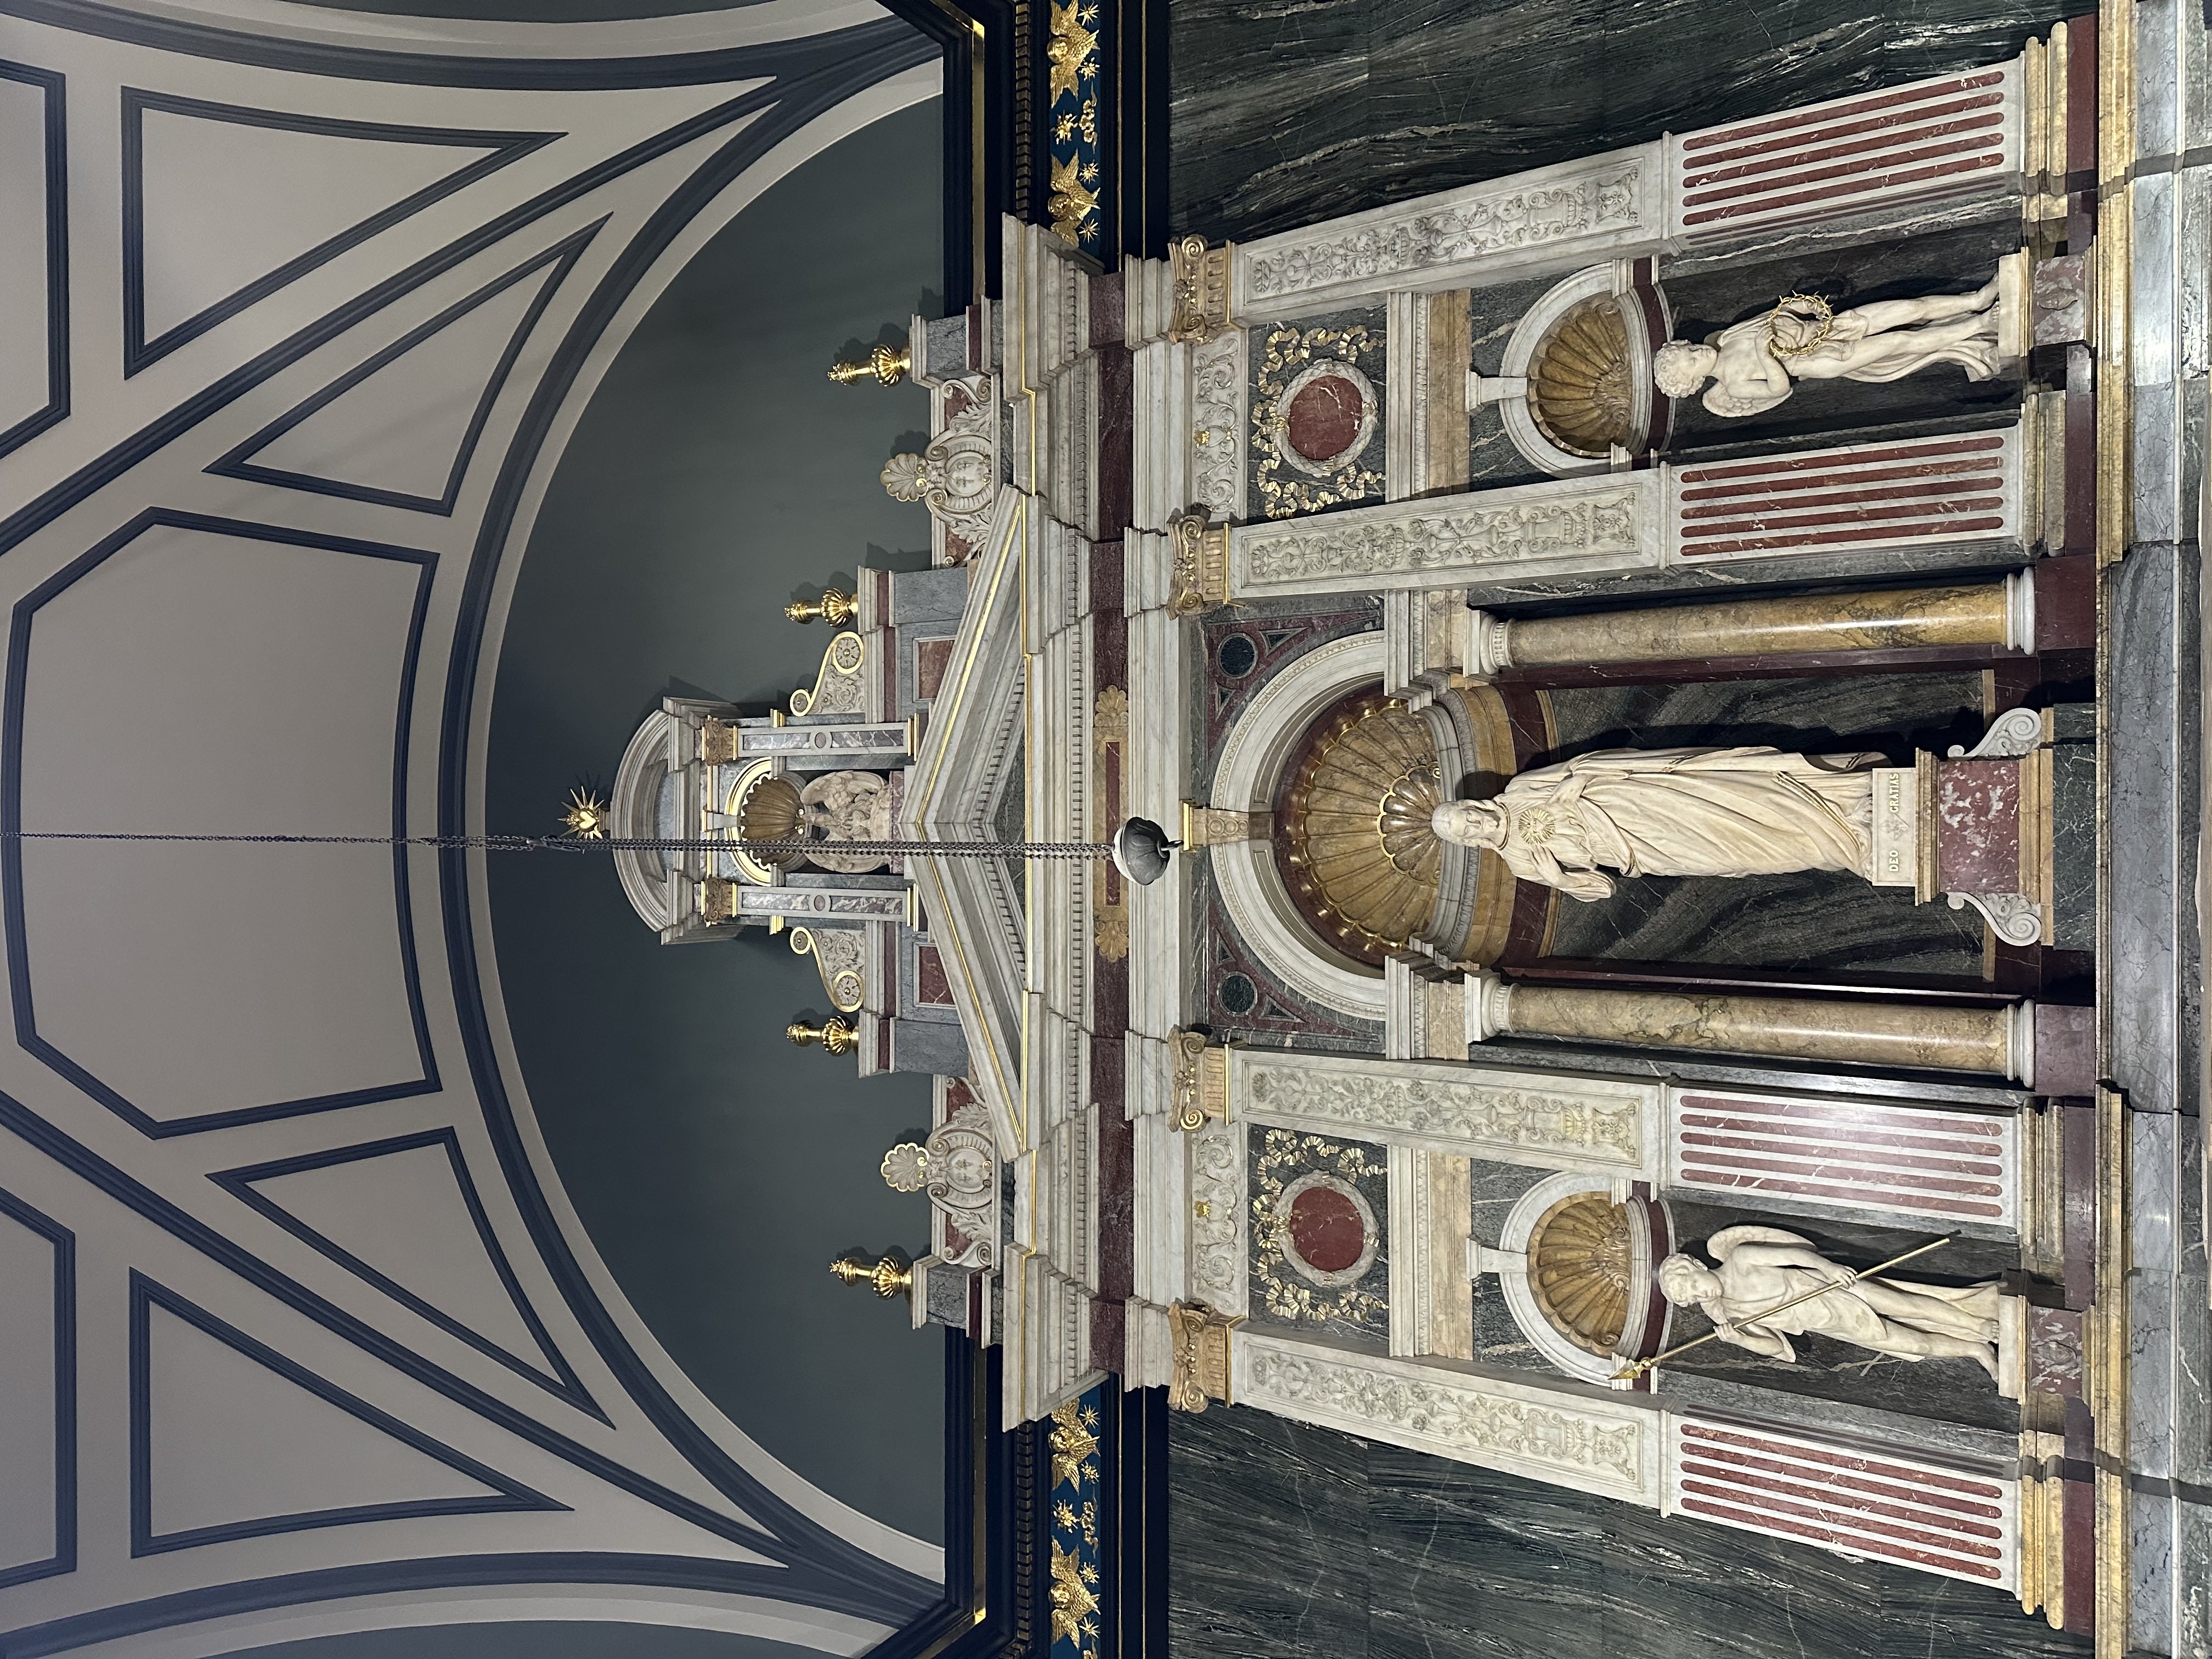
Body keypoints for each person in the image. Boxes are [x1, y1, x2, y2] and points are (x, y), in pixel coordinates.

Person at [1429, 745, 1883, 901]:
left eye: (1464, 813)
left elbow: (1589, 767)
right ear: (1471, 843)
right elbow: (1601, 889)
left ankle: (1843, 805)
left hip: (1642, 803)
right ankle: (1841, 845)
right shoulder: (1521, 864)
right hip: (1642, 849)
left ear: (1473, 803)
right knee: (1738, 853)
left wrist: (1567, 793)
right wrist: (1559, 878)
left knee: (1739, 801)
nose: (1472, 822)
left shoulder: (1522, 789)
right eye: (1464, 830)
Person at [1652, 262, 2020, 419]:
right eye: (1692, 360)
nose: (1696, 349)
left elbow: (1771, 318)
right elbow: (1779, 391)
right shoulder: (1731, 385)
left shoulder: (1728, 337)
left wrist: (1802, 305)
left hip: (1831, 327)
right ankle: (1977, 326)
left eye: (1688, 347)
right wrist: (1766, 357)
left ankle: (1977, 299)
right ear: (1696, 381)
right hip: (1820, 360)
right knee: (1901, 343)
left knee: (1909, 307)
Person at [1657, 1226, 2001, 1380]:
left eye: (1692, 1286)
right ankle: (1976, 1349)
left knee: (1907, 1304)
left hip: (1833, 1289)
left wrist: (1830, 1268)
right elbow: (1776, 1348)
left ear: (1697, 1265)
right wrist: (1741, 1339)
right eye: (1691, 1300)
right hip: (1833, 1323)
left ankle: (1978, 1325)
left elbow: (1795, 1255)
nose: (1699, 1296)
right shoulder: (1724, 1313)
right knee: (1914, 1344)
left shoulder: (1741, 1257)